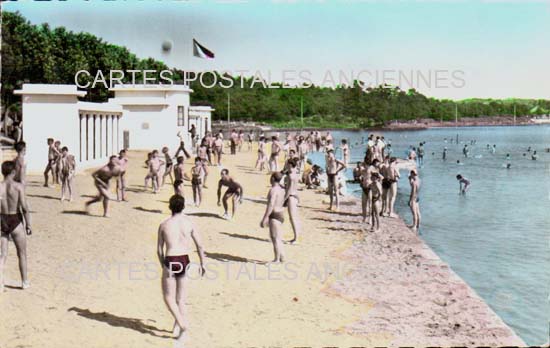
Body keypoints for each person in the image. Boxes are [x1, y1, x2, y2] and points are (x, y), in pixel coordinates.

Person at [157, 194, 205, 341]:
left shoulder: (164, 225)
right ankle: (178, 326)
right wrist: (203, 263)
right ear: (183, 206)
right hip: (184, 258)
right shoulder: (189, 223)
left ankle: (183, 325)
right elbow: (200, 245)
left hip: (171, 258)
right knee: (181, 299)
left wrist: (163, 265)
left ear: (170, 206)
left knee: (168, 297)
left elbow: (159, 250)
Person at [0, 160, 33, 291]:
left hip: (2, 218)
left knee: (2, 254)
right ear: (13, 172)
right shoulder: (18, 187)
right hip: (15, 218)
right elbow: (24, 207)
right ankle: (24, 282)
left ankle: (0, 283)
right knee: (22, 253)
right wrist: (28, 224)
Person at [260, 172, 286, 263]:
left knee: (275, 238)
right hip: (281, 213)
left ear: (273, 179)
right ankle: (282, 256)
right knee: (279, 237)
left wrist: (265, 217)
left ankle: (277, 259)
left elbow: (271, 204)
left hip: (274, 214)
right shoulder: (281, 190)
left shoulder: (273, 190)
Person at [284, 158, 301, 244]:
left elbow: (289, 190)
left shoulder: (290, 176)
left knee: (292, 218)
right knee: (294, 217)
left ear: (290, 165)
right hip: (295, 196)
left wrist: (284, 200)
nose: (286, 166)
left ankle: (296, 238)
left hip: (291, 197)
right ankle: (296, 237)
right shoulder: (295, 174)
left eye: (287, 164)